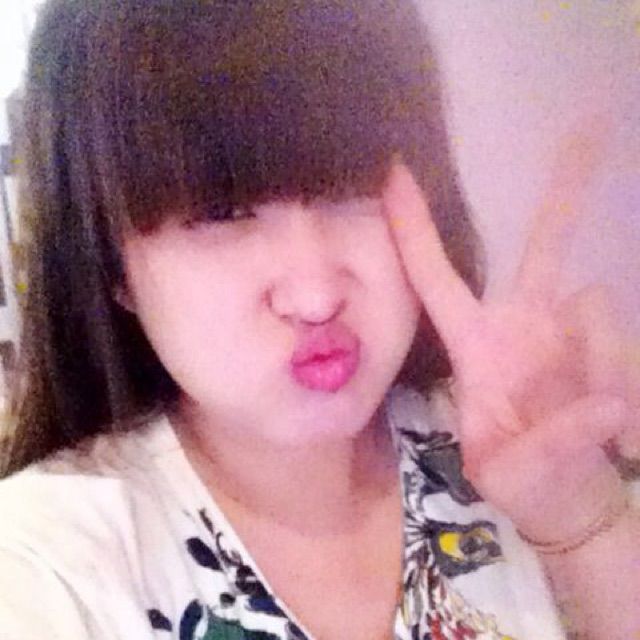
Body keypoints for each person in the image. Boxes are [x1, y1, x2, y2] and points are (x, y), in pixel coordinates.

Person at [0, 0, 638, 638]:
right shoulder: (46, 568)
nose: (316, 296)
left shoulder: (525, 450)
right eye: (222, 212)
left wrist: (584, 524)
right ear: (111, 264)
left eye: (352, 188)